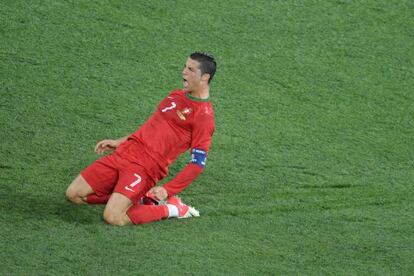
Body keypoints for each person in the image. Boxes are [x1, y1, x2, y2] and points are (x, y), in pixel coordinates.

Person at [65, 52, 216, 226]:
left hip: (145, 167)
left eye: (190, 69)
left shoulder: (204, 117)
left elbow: (197, 164)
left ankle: (174, 209)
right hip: (125, 153)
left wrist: (167, 190)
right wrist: (120, 142)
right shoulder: (177, 95)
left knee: (113, 217)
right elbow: (151, 126)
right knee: (74, 194)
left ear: (205, 77)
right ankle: (140, 198)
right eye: (185, 66)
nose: (183, 72)